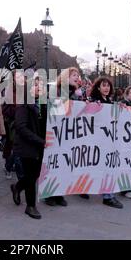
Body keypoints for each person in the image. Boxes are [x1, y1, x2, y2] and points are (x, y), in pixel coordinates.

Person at [43, 67, 82, 207]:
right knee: (53, 164)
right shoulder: (57, 89)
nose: (77, 77)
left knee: (65, 165)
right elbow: (54, 109)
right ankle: (49, 194)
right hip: (55, 133)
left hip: (69, 134)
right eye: (74, 75)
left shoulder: (76, 93)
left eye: (78, 75)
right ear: (66, 76)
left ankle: (59, 193)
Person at [84, 77, 124, 209]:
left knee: (107, 166)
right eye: (104, 85)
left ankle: (107, 195)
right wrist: (92, 107)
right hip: (96, 141)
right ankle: (106, 195)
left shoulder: (110, 101)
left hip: (108, 140)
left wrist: (120, 108)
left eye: (108, 86)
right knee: (97, 166)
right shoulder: (92, 101)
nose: (106, 88)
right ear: (98, 88)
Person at [11, 77, 47, 219]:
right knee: (32, 176)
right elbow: (21, 127)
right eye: (36, 85)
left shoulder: (44, 104)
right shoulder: (23, 105)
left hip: (40, 146)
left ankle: (17, 187)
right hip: (27, 146)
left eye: (41, 85)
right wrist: (39, 141)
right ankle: (30, 206)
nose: (39, 87)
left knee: (35, 174)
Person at [2, 70, 25, 180]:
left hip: (22, 120)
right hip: (12, 120)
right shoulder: (10, 88)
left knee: (17, 145)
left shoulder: (25, 88)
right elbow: (9, 104)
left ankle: (11, 165)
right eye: (18, 75)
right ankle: (8, 165)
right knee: (11, 144)